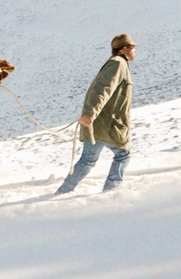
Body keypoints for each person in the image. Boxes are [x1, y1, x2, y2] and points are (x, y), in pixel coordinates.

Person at [56, 34, 137, 193]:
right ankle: (111, 190)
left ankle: (63, 191)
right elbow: (102, 89)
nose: (135, 50)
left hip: (98, 124)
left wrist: (90, 115)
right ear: (124, 48)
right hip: (108, 125)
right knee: (123, 155)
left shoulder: (117, 64)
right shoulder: (118, 64)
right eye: (132, 47)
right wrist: (90, 114)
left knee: (87, 160)